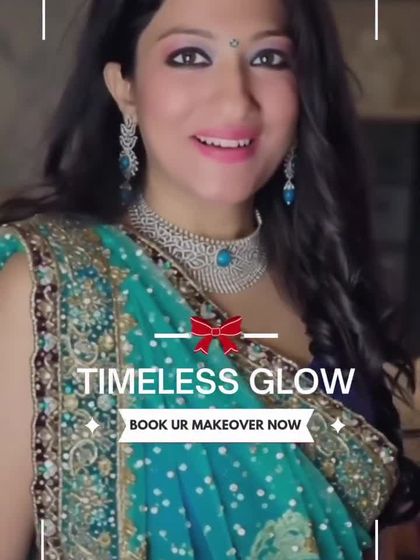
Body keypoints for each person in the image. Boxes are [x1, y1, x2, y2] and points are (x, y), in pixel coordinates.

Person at [0, 0, 419, 558]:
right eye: (190, 56)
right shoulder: (51, 286)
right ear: (125, 87)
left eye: (268, 58)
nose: (235, 100)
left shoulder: (330, 286)